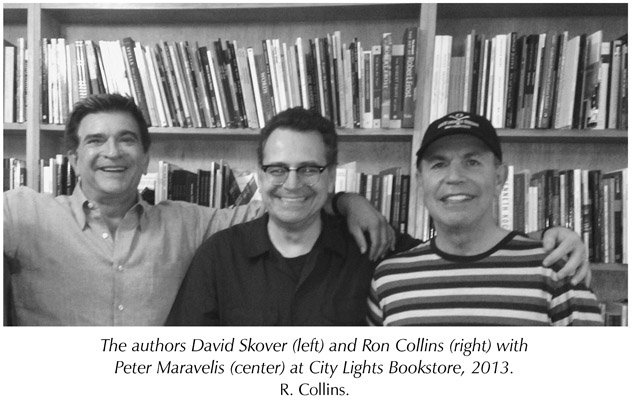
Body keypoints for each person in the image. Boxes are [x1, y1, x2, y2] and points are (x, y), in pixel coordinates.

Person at [166, 108, 590, 326]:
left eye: (309, 169)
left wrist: (550, 236)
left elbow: (466, 248)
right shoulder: (219, 257)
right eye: (278, 169)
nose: (291, 182)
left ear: (331, 176)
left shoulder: (377, 253)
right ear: (259, 175)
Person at [3, 93, 395, 326]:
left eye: (126, 140)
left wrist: (345, 201)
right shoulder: (25, 214)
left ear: (144, 157)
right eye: (95, 141)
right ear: (72, 158)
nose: (112, 152)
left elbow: (285, 202)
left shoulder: (186, 223)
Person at [367, 111, 603, 326]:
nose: (455, 177)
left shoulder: (558, 270)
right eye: (439, 164)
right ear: (420, 183)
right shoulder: (388, 279)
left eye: (472, 162)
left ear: (499, 178)